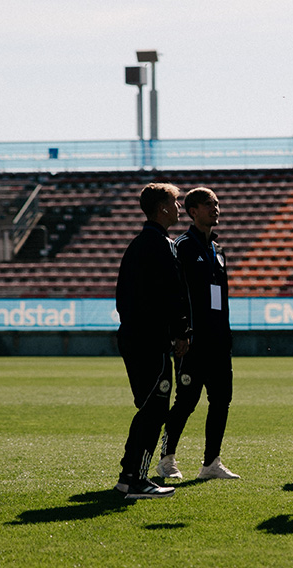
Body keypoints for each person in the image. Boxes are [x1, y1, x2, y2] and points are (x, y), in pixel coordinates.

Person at [156, 187, 240, 482]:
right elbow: (175, 295)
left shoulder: (218, 251)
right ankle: (166, 459)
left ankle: (211, 463)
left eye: (217, 203)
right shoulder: (182, 247)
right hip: (192, 342)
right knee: (186, 401)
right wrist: (179, 334)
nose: (215, 208)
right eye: (209, 204)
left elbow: (223, 298)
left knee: (221, 400)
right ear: (193, 211)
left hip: (218, 341)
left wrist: (227, 333)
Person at [114, 182, 190, 499]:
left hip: (136, 337)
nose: (179, 208)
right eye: (175, 202)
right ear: (162, 208)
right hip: (150, 340)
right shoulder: (161, 245)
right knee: (154, 410)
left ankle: (128, 476)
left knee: (149, 407)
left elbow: (123, 298)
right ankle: (136, 479)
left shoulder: (139, 244)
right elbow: (172, 294)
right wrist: (181, 332)